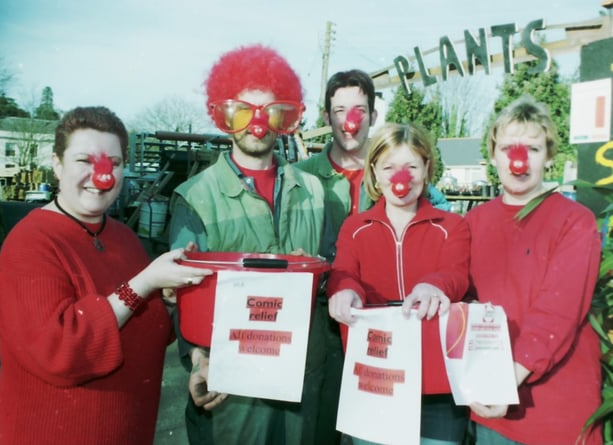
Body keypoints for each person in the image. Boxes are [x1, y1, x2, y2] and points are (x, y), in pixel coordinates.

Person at [0, 106, 213, 445]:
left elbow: (141, 326)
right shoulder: (30, 243)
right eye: (84, 161)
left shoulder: (124, 238)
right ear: (57, 164)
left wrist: (167, 299)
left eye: (114, 163)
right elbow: (62, 352)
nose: (101, 175)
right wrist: (145, 282)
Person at [168, 44, 326, 444]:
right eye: (243, 110)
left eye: (270, 110)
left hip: (297, 381)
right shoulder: (196, 196)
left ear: (284, 118)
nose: (257, 123)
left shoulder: (313, 191)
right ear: (224, 116)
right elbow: (183, 292)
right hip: (230, 386)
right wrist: (199, 361)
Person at [295, 69, 452, 443]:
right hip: (319, 327)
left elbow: (439, 227)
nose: (350, 121)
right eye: (339, 110)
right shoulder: (298, 179)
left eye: (359, 110)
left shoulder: (401, 174)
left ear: (373, 116)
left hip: (382, 334)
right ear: (328, 116)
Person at [466, 96, 602, 445]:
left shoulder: (575, 222)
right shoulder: (473, 223)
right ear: (494, 153)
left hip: (558, 414)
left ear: (550, 156)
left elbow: (558, 311)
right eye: (509, 147)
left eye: (533, 148)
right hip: (492, 414)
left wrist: (507, 379)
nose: (519, 160)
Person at [327, 122, 471, 445]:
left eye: (411, 166)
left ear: (426, 169)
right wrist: (344, 290)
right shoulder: (354, 227)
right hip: (376, 381)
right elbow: (343, 271)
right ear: (374, 173)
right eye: (389, 167)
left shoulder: (453, 226)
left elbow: (457, 273)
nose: (400, 178)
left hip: (437, 388)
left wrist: (435, 286)